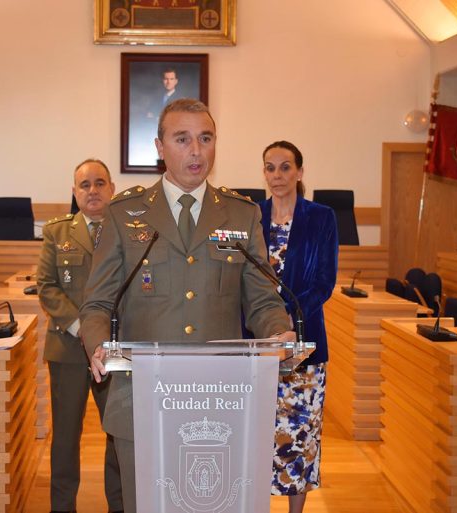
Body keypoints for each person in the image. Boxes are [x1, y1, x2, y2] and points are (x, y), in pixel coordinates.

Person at [79, 98, 296, 513]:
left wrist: (278, 330)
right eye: (183, 139)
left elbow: (262, 297)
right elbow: (97, 303)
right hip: (139, 394)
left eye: (206, 138)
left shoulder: (241, 213)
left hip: (219, 397)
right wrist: (96, 343)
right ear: (160, 146)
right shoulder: (126, 215)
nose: (196, 150)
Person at [36, 159, 123, 513]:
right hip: (69, 348)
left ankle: (119, 505)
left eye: (99, 183)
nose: (93, 191)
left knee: (118, 434)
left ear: (111, 189)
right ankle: (62, 507)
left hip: (115, 349)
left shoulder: (128, 232)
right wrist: (81, 329)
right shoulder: (57, 232)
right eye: (84, 185)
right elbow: (47, 286)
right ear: (74, 192)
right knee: (66, 438)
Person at [260, 141, 338, 513]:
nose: (277, 176)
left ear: (300, 172)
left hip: (304, 344)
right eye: (270, 168)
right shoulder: (251, 216)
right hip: (257, 345)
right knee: (257, 434)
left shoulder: (321, 217)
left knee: (301, 435)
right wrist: (268, 325)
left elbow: (324, 281)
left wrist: (291, 320)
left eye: (285, 167)